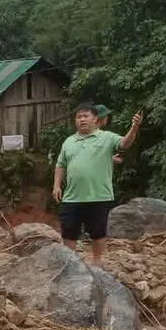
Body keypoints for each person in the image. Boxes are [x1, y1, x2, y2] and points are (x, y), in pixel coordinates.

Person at [53, 103, 142, 265]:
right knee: (69, 231)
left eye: (85, 116)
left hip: (99, 195)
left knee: (98, 232)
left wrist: (134, 127)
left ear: (95, 119)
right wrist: (56, 186)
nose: (82, 119)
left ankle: (97, 262)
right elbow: (61, 165)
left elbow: (124, 144)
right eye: (78, 117)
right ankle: (71, 263)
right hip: (72, 196)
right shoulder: (69, 141)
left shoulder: (107, 138)